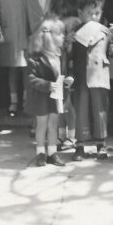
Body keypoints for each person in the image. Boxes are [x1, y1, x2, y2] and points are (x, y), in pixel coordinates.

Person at [69, 0, 113, 161]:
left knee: (100, 110)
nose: (94, 17)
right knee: (81, 110)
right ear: (80, 13)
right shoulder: (76, 32)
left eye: (97, 12)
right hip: (81, 76)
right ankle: (80, 145)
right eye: (89, 13)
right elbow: (70, 56)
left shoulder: (106, 31)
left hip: (100, 76)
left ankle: (101, 144)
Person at [26, 16, 72, 167]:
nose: (63, 36)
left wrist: (67, 80)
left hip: (56, 96)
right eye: (60, 34)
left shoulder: (60, 55)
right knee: (42, 125)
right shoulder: (36, 58)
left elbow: (62, 73)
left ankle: (52, 153)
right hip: (41, 98)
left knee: (54, 124)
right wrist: (47, 85)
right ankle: (40, 152)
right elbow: (31, 79)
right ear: (49, 37)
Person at [0, 0, 35, 118]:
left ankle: (26, 100)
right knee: (12, 70)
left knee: (26, 70)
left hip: (24, 36)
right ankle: (13, 101)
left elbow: (33, 17)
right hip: (8, 38)